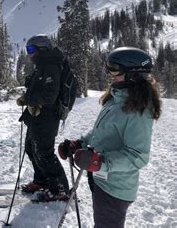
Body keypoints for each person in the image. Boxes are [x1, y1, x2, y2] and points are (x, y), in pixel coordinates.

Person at [58, 47, 161, 228]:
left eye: (115, 69)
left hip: (115, 188)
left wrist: (100, 162)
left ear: (133, 73)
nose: (110, 74)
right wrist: (79, 143)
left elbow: (138, 155)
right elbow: (102, 133)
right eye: (109, 68)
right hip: (101, 179)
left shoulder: (138, 110)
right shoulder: (117, 98)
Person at [16, 34, 70, 201]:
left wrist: (29, 100)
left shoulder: (50, 66)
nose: (29, 53)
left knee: (44, 153)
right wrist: (27, 97)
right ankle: (42, 181)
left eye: (31, 49)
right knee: (32, 149)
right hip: (37, 116)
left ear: (42, 49)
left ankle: (60, 189)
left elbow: (49, 96)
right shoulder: (42, 65)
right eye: (27, 49)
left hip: (47, 117)